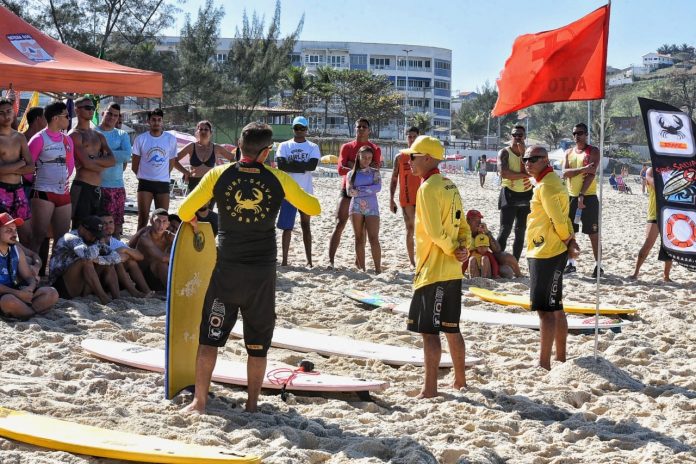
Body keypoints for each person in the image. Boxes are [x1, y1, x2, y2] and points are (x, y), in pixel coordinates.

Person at [178, 122, 320, 414]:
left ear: (239, 147)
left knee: (210, 338)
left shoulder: (218, 174)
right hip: (261, 275)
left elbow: (183, 211)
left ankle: (199, 401)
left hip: (226, 272)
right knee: (258, 344)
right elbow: (313, 208)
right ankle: (253, 406)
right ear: (267, 151)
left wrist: (195, 219)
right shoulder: (277, 178)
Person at [403, 135, 471, 399]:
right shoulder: (450, 185)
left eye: (413, 156)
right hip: (453, 269)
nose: (409, 161)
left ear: (428, 158)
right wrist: (462, 246)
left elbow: (433, 232)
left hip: (433, 269)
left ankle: (429, 389)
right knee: (452, 328)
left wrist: (453, 248)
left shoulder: (427, 188)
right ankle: (460, 381)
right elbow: (462, 224)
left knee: (429, 332)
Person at [523, 146, 580, 370]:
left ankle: (544, 362)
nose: (528, 162)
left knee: (544, 310)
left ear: (545, 160)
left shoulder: (546, 186)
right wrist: (570, 240)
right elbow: (564, 217)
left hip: (544, 251)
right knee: (556, 306)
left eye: (533, 159)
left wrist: (568, 241)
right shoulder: (553, 182)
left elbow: (557, 219)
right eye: (526, 159)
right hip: (553, 249)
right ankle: (561, 357)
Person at [328, 118, 382, 268]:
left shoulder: (375, 149)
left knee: (365, 232)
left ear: (369, 130)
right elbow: (340, 170)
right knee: (339, 223)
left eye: (364, 127)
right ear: (355, 128)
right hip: (348, 189)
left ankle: (360, 264)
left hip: (367, 194)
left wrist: (352, 165)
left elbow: (374, 170)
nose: (361, 129)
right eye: (359, 127)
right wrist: (359, 169)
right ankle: (330, 261)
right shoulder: (347, 147)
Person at [27, 101, 74, 255]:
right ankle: (31, 274)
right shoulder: (38, 139)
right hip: (43, 192)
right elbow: (27, 169)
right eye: (66, 115)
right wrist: (37, 181)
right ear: (55, 118)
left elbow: (71, 165)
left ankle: (55, 277)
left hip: (63, 194)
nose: (69, 118)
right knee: (38, 238)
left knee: (62, 240)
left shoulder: (67, 139)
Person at [274, 116, 320, 267]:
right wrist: (302, 165)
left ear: (307, 130)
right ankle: (285, 261)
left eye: (302, 128)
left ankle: (309, 261)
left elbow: (312, 166)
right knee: (287, 228)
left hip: (306, 192)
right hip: (288, 193)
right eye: (296, 128)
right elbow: (281, 165)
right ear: (293, 129)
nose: (299, 131)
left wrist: (291, 164)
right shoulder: (284, 145)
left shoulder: (313, 146)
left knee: (306, 225)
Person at [49, 215, 121, 304]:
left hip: (80, 283)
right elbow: (87, 256)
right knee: (86, 261)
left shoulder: (94, 239)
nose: (94, 238)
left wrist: (99, 260)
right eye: (92, 234)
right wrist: (99, 254)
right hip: (60, 285)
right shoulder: (71, 237)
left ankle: (117, 299)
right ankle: (104, 298)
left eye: (97, 235)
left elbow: (116, 257)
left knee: (109, 264)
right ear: (82, 229)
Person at [0, 212, 58, 319]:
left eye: (15, 230)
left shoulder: (16, 249)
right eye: (8, 230)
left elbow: (28, 276)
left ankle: (23, 312)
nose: (14, 234)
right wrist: (18, 294)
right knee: (8, 301)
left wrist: (30, 288)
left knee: (52, 293)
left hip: (16, 292)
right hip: (6, 295)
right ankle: (32, 313)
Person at [562, 123, 602, 277]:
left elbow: (592, 173)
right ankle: (571, 264)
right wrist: (582, 170)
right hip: (570, 197)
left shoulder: (593, 150)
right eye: (574, 133)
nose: (577, 136)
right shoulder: (568, 152)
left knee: (593, 232)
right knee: (570, 233)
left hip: (588, 197)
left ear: (586, 134)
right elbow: (565, 172)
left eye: (580, 133)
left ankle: (599, 265)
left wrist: (582, 194)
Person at [69, 97, 115, 229]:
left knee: (97, 230)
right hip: (82, 187)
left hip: (97, 188)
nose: (91, 110)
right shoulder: (75, 135)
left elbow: (112, 161)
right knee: (79, 228)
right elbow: (86, 164)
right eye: (87, 107)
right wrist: (100, 163)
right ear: (77, 110)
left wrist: (92, 159)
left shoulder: (98, 135)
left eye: (92, 108)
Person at [131, 108, 177, 230]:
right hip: (145, 183)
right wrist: (143, 175)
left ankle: (160, 247)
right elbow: (134, 164)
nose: (156, 122)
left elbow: (171, 162)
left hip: (163, 184)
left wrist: (162, 175)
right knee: (143, 219)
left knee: (162, 220)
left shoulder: (170, 139)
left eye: (159, 120)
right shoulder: (141, 139)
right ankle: (137, 247)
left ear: (162, 121)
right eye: (153, 120)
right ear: (148, 121)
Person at [628, 167, 673, 282]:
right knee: (648, 244)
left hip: (669, 214)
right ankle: (636, 272)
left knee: (669, 246)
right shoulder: (651, 170)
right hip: (655, 214)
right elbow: (656, 185)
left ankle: (666, 276)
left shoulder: (672, 170)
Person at [0, 98, 34, 245]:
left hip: (18, 190)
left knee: (26, 235)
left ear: (14, 113)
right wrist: (20, 163)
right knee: (3, 235)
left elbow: (31, 167)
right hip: (1, 190)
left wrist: (9, 168)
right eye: (1, 113)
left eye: (9, 111)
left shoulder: (19, 137)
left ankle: (25, 266)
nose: (6, 116)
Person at [497, 125, 533, 261]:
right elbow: (504, 173)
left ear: (524, 136)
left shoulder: (529, 153)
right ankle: (498, 261)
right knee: (505, 230)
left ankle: (515, 261)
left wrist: (524, 154)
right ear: (510, 136)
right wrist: (524, 175)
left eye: (520, 135)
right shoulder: (504, 152)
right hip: (509, 194)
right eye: (514, 135)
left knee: (520, 232)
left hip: (526, 194)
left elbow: (532, 171)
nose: (517, 138)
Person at [95, 103, 132, 238]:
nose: (112, 117)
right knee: (97, 226)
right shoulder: (93, 132)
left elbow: (127, 155)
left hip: (117, 186)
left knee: (116, 227)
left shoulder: (122, 134)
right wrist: (116, 154)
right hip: (96, 186)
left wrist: (103, 154)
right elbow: (89, 155)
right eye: (109, 113)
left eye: (115, 115)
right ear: (103, 113)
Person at [99, 211, 153, 298]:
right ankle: (133, 292)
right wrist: (120, 255)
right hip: (100, 278)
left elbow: (140, 256)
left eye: (110, 222)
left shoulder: (115, 242)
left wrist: (124, 250)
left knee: (131, 262)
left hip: (116, 280)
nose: (108, 226)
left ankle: (147, 291)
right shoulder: (95, 240)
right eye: (104, 223)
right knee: (119, 261)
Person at [174, 120, 235, 195]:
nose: (203, 131)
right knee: (195, 206)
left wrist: (225, 173)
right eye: (201, 129)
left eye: (206, 129)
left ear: (211, 132)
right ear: (197, 132)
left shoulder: (216, 148)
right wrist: (185, 172)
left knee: (208, 207)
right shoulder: (191, 146)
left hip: (210, 182)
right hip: (194, 183)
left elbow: (233, 158)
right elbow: (174, 160)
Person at [347, 146, 382, 274]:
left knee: (374, 238)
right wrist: (367, 189)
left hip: (372, 208)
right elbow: (350, 192)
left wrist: (359, 189)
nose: (367, 160)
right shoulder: (351, 174)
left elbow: (378, 187)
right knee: (359, 237)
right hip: (355, 208)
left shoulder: (375, 172)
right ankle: (362, 269)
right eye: (364, 157)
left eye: (369, 158)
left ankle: (378, 268)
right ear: (358, 157)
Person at [389, 126, 420, 267]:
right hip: (406, 198)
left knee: (423, 230)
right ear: (406, 138)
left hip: (422, 198)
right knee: (410, 229)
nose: (412, 139)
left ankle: (421, 258)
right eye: (410, 136)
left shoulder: (423, 155)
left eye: (414, 136)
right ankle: (412, 262)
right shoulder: (400, 157)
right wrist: (391, 198)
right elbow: (394, 178)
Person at [465, 210, 521, 278]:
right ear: (467, 220)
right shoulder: (463, 233)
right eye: (475, 220)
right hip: (470, 262)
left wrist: (487, 232)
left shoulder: (483, 232)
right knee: (472, 260)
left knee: (507, 268)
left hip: (485, 261)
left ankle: (519, 275)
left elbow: (497, 250)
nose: (478, 223)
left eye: (479, 220)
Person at [131, 208, 173, 291]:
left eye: (164, 222)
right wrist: (181, 257)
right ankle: (172, 292)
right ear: (151, 221)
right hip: (142, 277)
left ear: (168, 224)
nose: (161, 225)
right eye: (158, 221)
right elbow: (162, 258)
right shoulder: (145, 237)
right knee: (161, 263)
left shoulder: (169, 236)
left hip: (157, 276)